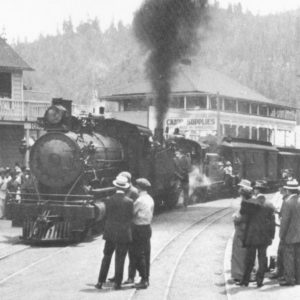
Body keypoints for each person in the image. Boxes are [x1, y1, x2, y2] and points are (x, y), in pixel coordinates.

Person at [95, 175, 133, 290]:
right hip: (123, 233)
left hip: (110, 232)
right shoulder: (129, 202)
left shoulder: (108, 200)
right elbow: (130, 217)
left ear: (115, 186)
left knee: (106, 256)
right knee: (120, 258)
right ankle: (117, 283)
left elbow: (106, 216)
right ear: (125, 188)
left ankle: (100, 282)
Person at [239, 181, 276, 287]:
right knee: (262, 258)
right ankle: (260, 281)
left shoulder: (250, 203)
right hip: (264, 237)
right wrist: (271, 236)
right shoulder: (269, 204)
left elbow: (244, 218)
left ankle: (245, 281)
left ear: (257, 190)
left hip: (252, 236)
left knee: (249, 259)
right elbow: (272, 223)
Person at [131, 178, 154, 289]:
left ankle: (143, 279)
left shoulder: (139, 201)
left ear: (139, 188)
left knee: (138, 254)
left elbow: (132, 213)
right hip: (147, 228)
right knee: (146, 253)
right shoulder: (150, 198)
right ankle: (147, 278)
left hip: (139, 228)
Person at [279, 179, 300, 286]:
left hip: (290, 235)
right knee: (298, 257)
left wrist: (281, 235)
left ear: (288, 191)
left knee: (289, 258)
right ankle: (298, 279)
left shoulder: (287, 202)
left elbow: (285, 222)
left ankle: (289, 279)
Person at [231, 179, 252, 283]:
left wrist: (235, 218)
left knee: (239, 252)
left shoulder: (245, 203)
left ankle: (240, 274)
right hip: (247, 230)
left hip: (242, 230)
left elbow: (243, 217)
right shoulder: (249, 201)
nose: (238, 189)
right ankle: (244, 273)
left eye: (240, 188)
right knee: (246, 252)